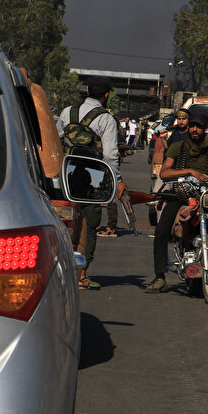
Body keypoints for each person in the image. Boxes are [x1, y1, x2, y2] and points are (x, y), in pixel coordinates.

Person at [145, 112, 208, 294]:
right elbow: (165, 173)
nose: (194, 129)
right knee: (161, 231)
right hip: (180, 195)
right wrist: (190, 172)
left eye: (198, 126)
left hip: (207, 196)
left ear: (205, 129)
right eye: (192, 126)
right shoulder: (177, 147)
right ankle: (160, 277)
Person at [57, 76, 126, 290]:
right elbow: (110, 155)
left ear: (87, 91)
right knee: (89, 223)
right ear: (106, 96)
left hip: (66, 176)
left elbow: (57, 139)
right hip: (93, 179)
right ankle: (81, 275)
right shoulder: (106, 119)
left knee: (64, 222)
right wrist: (116, 181)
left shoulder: (67, 111)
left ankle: (59, 272)